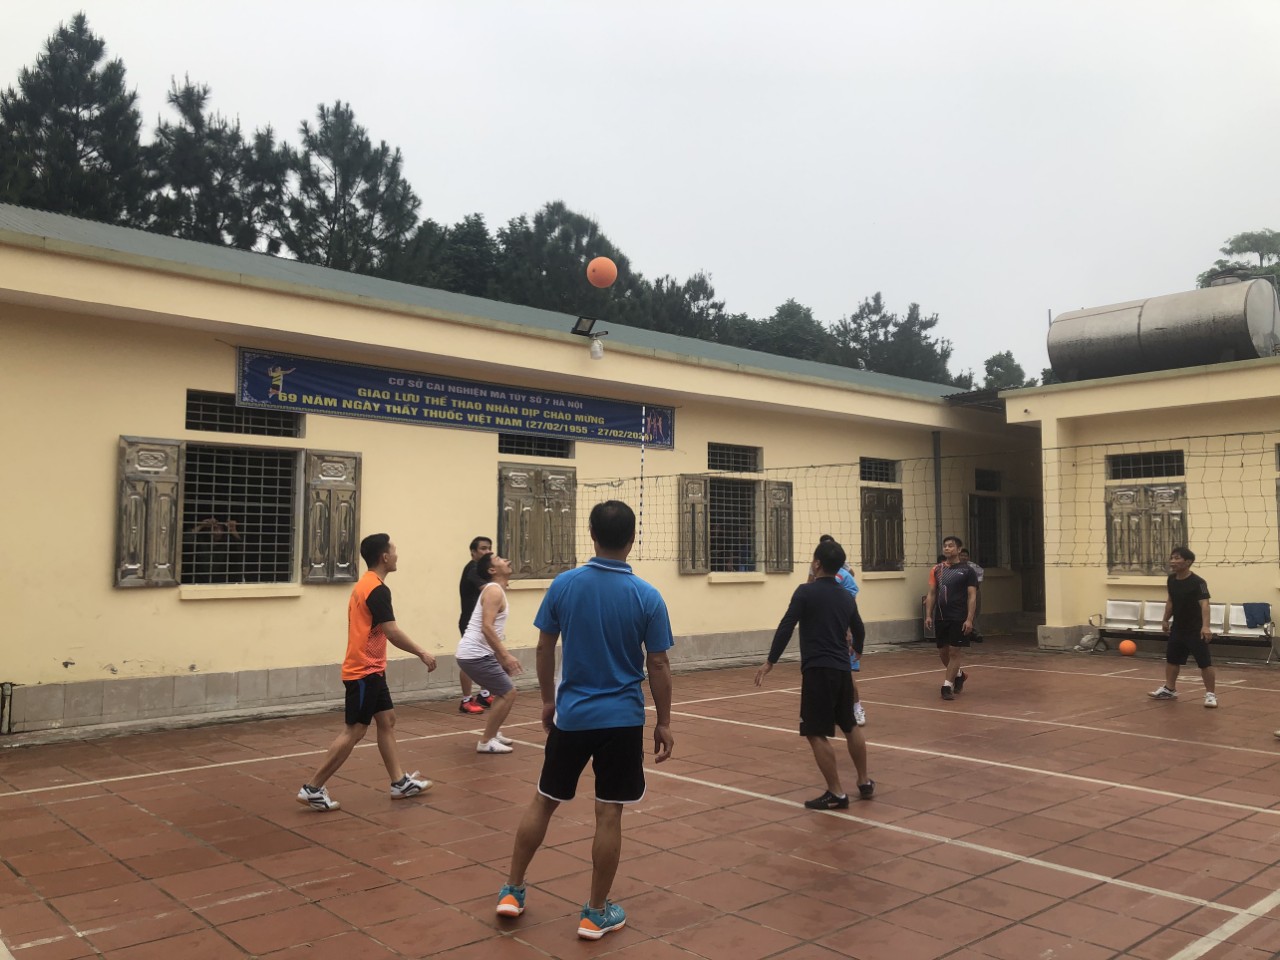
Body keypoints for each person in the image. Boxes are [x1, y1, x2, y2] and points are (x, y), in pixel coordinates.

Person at [495, 500, 674, 941]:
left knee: (544, 800)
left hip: (572, 715)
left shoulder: (564, 585)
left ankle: (512, 891)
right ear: (632, 539)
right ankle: (595, 913)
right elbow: (658, 664)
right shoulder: (648, 596)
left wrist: (548, 700)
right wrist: (664, 721)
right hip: (622, 720)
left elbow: (544, 647)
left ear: (591, 534)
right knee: (608, 812)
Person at [296, 533, 436, 811]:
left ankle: (399, 782)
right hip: (363, 672)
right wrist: (421, 652)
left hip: (373, 670)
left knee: (387, 720)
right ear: (384, 557)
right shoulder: (377, 590)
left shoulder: (366, 584)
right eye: (394, 550)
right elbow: (391, 631)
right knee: (355, 730)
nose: (397, 555)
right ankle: (312, 788)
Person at [756, 539, 874, 810]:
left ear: (817, 563)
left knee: (814, 732)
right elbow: (859, 628)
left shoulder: (805, 592)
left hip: (818, 670)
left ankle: (836, 793)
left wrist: (770, 661)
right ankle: (864, 781)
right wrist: (858, 649)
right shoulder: (845, 595)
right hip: (842, 670)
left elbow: (786, 626)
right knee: (850, 725)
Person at [457, 552, 524, 753]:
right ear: (492, 570)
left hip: (478, 653)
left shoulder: (496, 590)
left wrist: (498, 656)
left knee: (501, 692)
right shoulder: (494, 591)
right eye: (500, 560)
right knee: (508, 692)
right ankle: (486, 742)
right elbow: (486, 627)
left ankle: (492, 734)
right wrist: (505, 656)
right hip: (474, 655)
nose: (507, 560)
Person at [1148, 546, 1217, 707]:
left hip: (1195, 629)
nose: (1172, 561)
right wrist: (1165, 619)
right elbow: (1170, 601)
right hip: (1178, 627)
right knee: (1172, 660)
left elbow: (1205, 604)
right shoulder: (1171, 579)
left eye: (1177, 558)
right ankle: (1169, 689)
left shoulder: (1199, 582)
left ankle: (1210, 695)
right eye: (1172, 558)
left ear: (1188, 562)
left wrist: (1206, 627)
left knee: (1204, 663)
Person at [815, 534, 867, 726]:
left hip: (841, 631)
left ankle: (857, 708)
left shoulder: (844, 576)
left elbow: (850, 607)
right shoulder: (815, 573)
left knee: (847, 674)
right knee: (823, 673)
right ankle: (830, 710)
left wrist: (849, 631)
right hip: (823, 632)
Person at [924, 536, 978, 701]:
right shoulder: (937, 569)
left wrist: (969, 619)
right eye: (945, 546)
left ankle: (947, 686)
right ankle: (959, 675)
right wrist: (928, 615)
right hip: (941, 616)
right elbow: (932, 593)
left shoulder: (968, 571)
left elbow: (972, 596)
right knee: (943, 652)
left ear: (959, 550)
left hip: (959, 616)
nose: (947, 548)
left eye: (951, 546)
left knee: (954, 651)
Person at [458, 536, 496, 715]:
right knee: (469, 661)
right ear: (473, 552)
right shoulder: (472, 569)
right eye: (483, 548)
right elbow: (487, 591)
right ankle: (466, 700)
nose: (488, 551)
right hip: (469, 623)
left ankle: (484, 694)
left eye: (489, 548)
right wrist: (499, 581)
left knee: (486, 657)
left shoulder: (483, 570)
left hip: (483, 622)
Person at [958, 547, 985, 642]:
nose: (963, 557)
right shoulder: (954, 566)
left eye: (965, 555)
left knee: (974, 612)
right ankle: (976, 633)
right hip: (960, 592)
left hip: (974, 591)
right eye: (962, 555)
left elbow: (979, 580)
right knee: (965, 612)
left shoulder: (974, 567)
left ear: (968, 557)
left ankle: (971, 633)